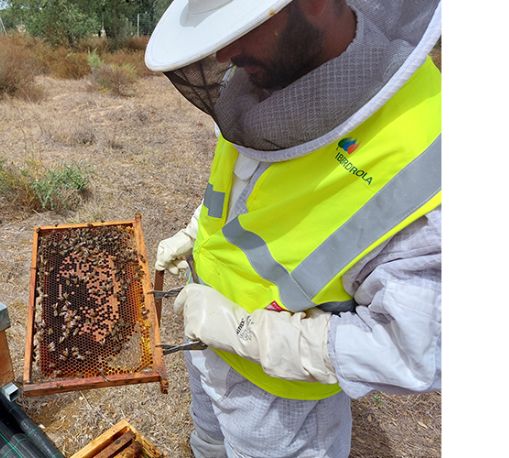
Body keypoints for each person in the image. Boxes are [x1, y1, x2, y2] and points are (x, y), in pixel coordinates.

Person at [145, 0, 442, 456]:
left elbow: (413, 349)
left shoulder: (427, 154)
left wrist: (249, 333)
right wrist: (196, 231)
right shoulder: (266, 78)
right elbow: (253, 191)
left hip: (281, 404)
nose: (225, 56)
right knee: (207, 442)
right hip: (205, 340)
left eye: (242, 27)